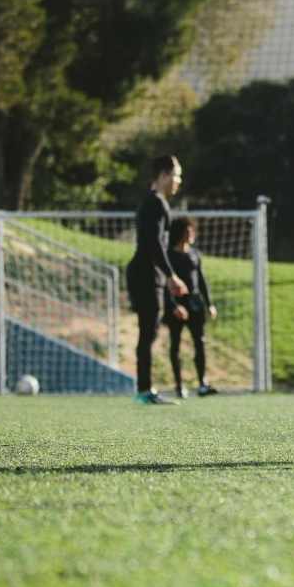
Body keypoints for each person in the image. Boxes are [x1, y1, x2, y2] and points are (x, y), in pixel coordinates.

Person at [126, 155, 188, 405]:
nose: (178, 181)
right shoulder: (157, 204)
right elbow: (154, 245)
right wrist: (172, 275)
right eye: (176, 175)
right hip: (145, 274)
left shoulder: (152, 203)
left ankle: (145, 389)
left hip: (147, 274)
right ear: (163, 175)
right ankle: (145, 390)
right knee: (148, 333)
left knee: (148, 333)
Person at [164, 217, 219, 398]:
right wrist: (172, 306)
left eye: (192, 231)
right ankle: (179, 386)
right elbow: (165, 284)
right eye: (188, 231)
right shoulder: (169, 256)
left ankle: (203, 383)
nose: (191, 234)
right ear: (180, 233)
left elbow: (201, 281)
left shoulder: (195, 254)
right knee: (176, 344)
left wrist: (209, 303)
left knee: (200, 342)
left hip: (195, 303)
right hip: (177, 304)